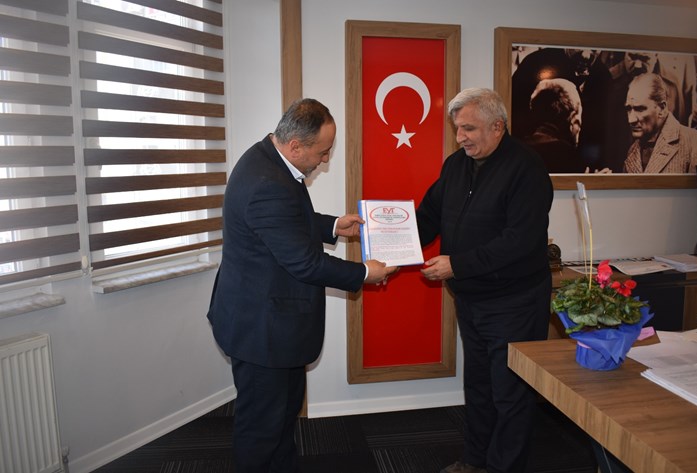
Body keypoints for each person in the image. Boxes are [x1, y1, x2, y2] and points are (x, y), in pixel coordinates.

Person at [207, 98, 397, 472]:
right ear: (296, 146)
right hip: (262, 330)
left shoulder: (268, 159)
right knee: (262, 428)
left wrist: (332, 226)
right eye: (323, 152)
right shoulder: (266, 183)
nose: (325, 161)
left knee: (282, 415)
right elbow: (304, 262)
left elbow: (287, 221)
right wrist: (363, 273)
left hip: (272, 322)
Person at [416, 88, 553, 473]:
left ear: (497, 126)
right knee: (478, 387)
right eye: (457, 129)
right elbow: (428, 217)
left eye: (469, 129)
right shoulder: (456, 165)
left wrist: (457, 265)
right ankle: (475, 461)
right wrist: (387, 239)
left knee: (511, 393)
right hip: (471, 299)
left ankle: (503, 467)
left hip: (515, 301)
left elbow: (518, 241)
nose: (460, 137)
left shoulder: (527, 168)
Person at [622, 73, 697, 173]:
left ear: (662, 108)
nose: (631, 119)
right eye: (628, 109)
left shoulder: (694, 143)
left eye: (640, 109)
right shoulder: (632, 151)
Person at [524, 77, 586, 173]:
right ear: (572, 118)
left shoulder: (519, 149)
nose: (579, 130)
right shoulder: (567, 155)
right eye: (577, 122)